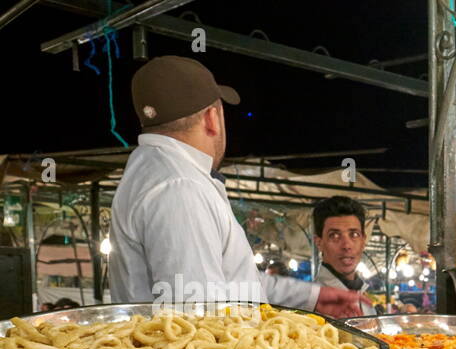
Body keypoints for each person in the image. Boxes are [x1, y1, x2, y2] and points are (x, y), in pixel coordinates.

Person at [108, 56, 368, 317]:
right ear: (212, 118)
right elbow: (200, 317)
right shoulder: (181, 188)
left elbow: (231, 281)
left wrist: (312, 296)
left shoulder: (152, 170)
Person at [312, 195, 375, 316]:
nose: (346, 245)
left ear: (363, 241)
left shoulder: (364, 298)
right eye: (334, 236)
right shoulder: (310, 305)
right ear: (319, 243)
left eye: (354, 234)